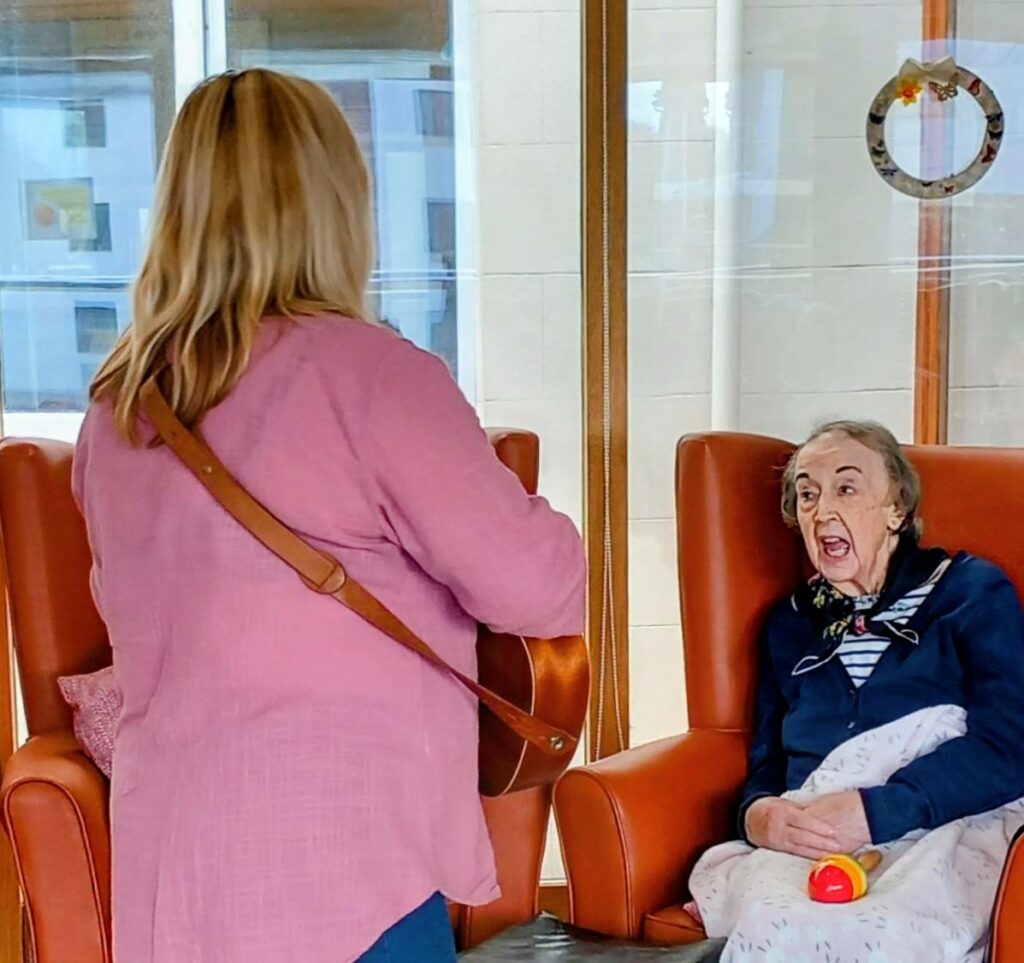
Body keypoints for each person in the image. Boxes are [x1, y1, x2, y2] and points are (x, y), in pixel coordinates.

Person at [74, 68, 585, 963]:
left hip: (175, 868)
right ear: (335, 205)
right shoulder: (372, 375)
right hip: (347, 866)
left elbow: (124, 604)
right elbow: (541, 587)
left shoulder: (118, 410)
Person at [689, 419, 1024, 961]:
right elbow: (769, 762)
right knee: (771, 925)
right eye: (806, 496)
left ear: (897, 509)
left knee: (887, 933)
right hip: (812, 840)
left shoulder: (971, 593)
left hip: (944, 826)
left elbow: (1011, 745)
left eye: (846, 487)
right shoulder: (789, 625)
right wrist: (759, 815)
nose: (821, 511)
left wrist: (880, 810)